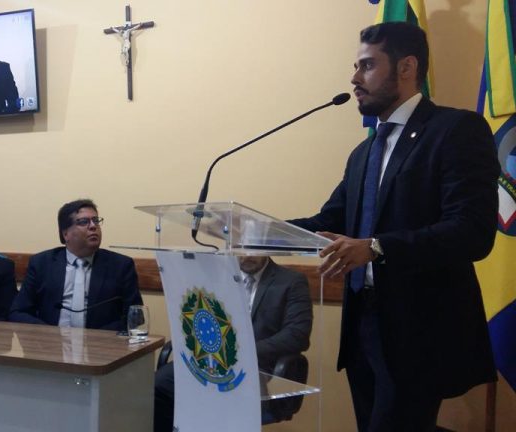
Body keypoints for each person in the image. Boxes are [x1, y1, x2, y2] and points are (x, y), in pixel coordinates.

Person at [287, 22, 499, 431]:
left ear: (406, 67)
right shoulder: (364, 152)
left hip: (419, 332)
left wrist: (376, 247)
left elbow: (472, 232)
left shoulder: (455, 131)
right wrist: (253, 230)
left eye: (367, 65)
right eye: (356, 66)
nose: (354, 78)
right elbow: (327, 222)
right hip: (362, 327)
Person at [153, 256, 312, 431]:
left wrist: (245, 353)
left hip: (257, 367)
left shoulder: (291, 281)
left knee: (219, 401)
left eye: (253, 248)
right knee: (158, 385)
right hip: (209, 362)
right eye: (241, 248)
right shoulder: (217, 276)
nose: (247, 255)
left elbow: (297, 335)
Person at [9, 199, 142, 330]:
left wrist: (96, 337)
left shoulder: (120, 266)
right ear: (65, 234)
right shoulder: (42, 263)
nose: (93, 226)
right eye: (84, 222)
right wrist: (50, 334)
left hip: (100, 341)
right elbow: (18, 312)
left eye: (96, 220)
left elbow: (136, 316)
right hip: (50, 341)